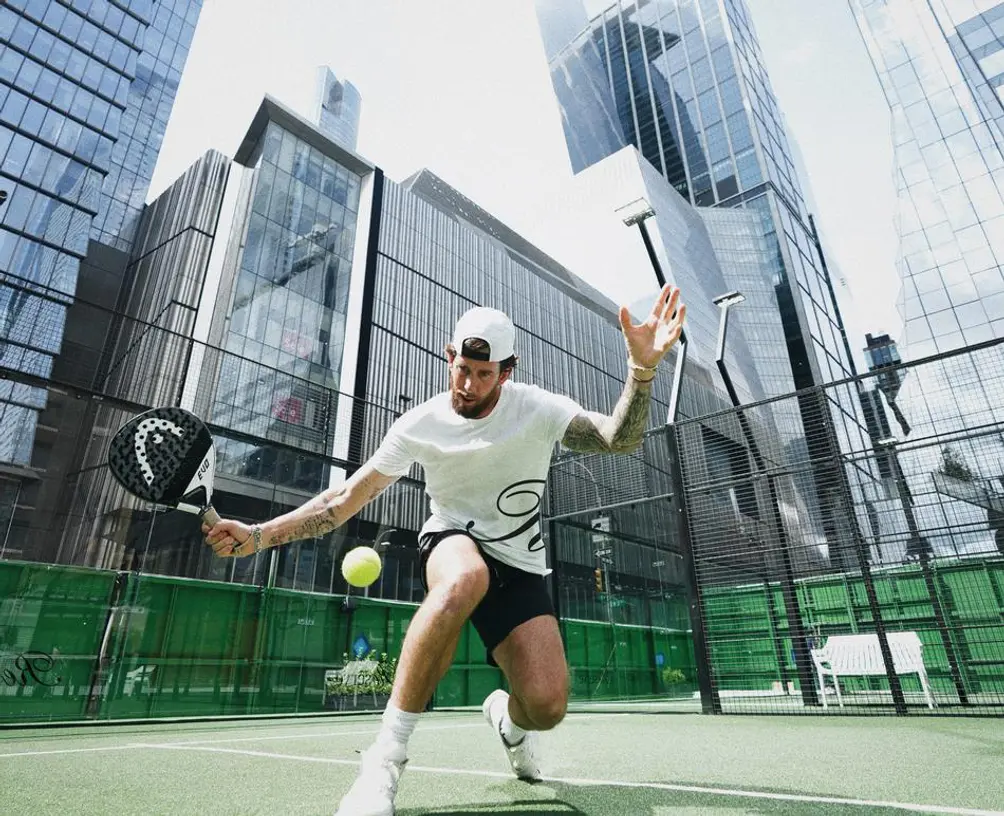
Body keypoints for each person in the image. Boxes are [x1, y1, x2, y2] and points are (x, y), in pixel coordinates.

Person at [203, 284, 686, 816]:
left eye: (485, 374)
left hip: (520, 563)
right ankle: (383, 763)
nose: (469, 383)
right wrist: (260, 534)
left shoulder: (539, 409)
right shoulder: (421, 424)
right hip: (451, 538)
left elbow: (618, 437)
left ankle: (508, 722)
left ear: (507, 371)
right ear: (449, 355)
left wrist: (642, 373)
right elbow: (341, 500)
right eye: (462, 367)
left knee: (546, 707)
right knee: (463, 580)